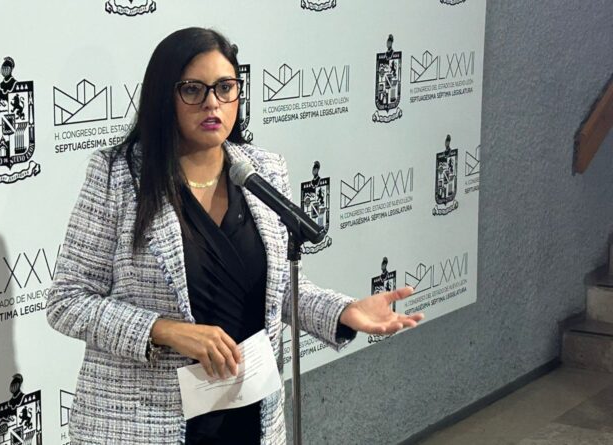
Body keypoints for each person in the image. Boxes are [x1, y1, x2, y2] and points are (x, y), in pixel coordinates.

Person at [46, 27, 424, 445]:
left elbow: (280, 290)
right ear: (163, 97)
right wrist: (164, 329)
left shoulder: (264, 171)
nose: (212, 103)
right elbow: (68, 301)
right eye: (193, 89)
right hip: (146, 424)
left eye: (225, 88)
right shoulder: (118, 176)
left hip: (248, 416)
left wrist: (344, 311)